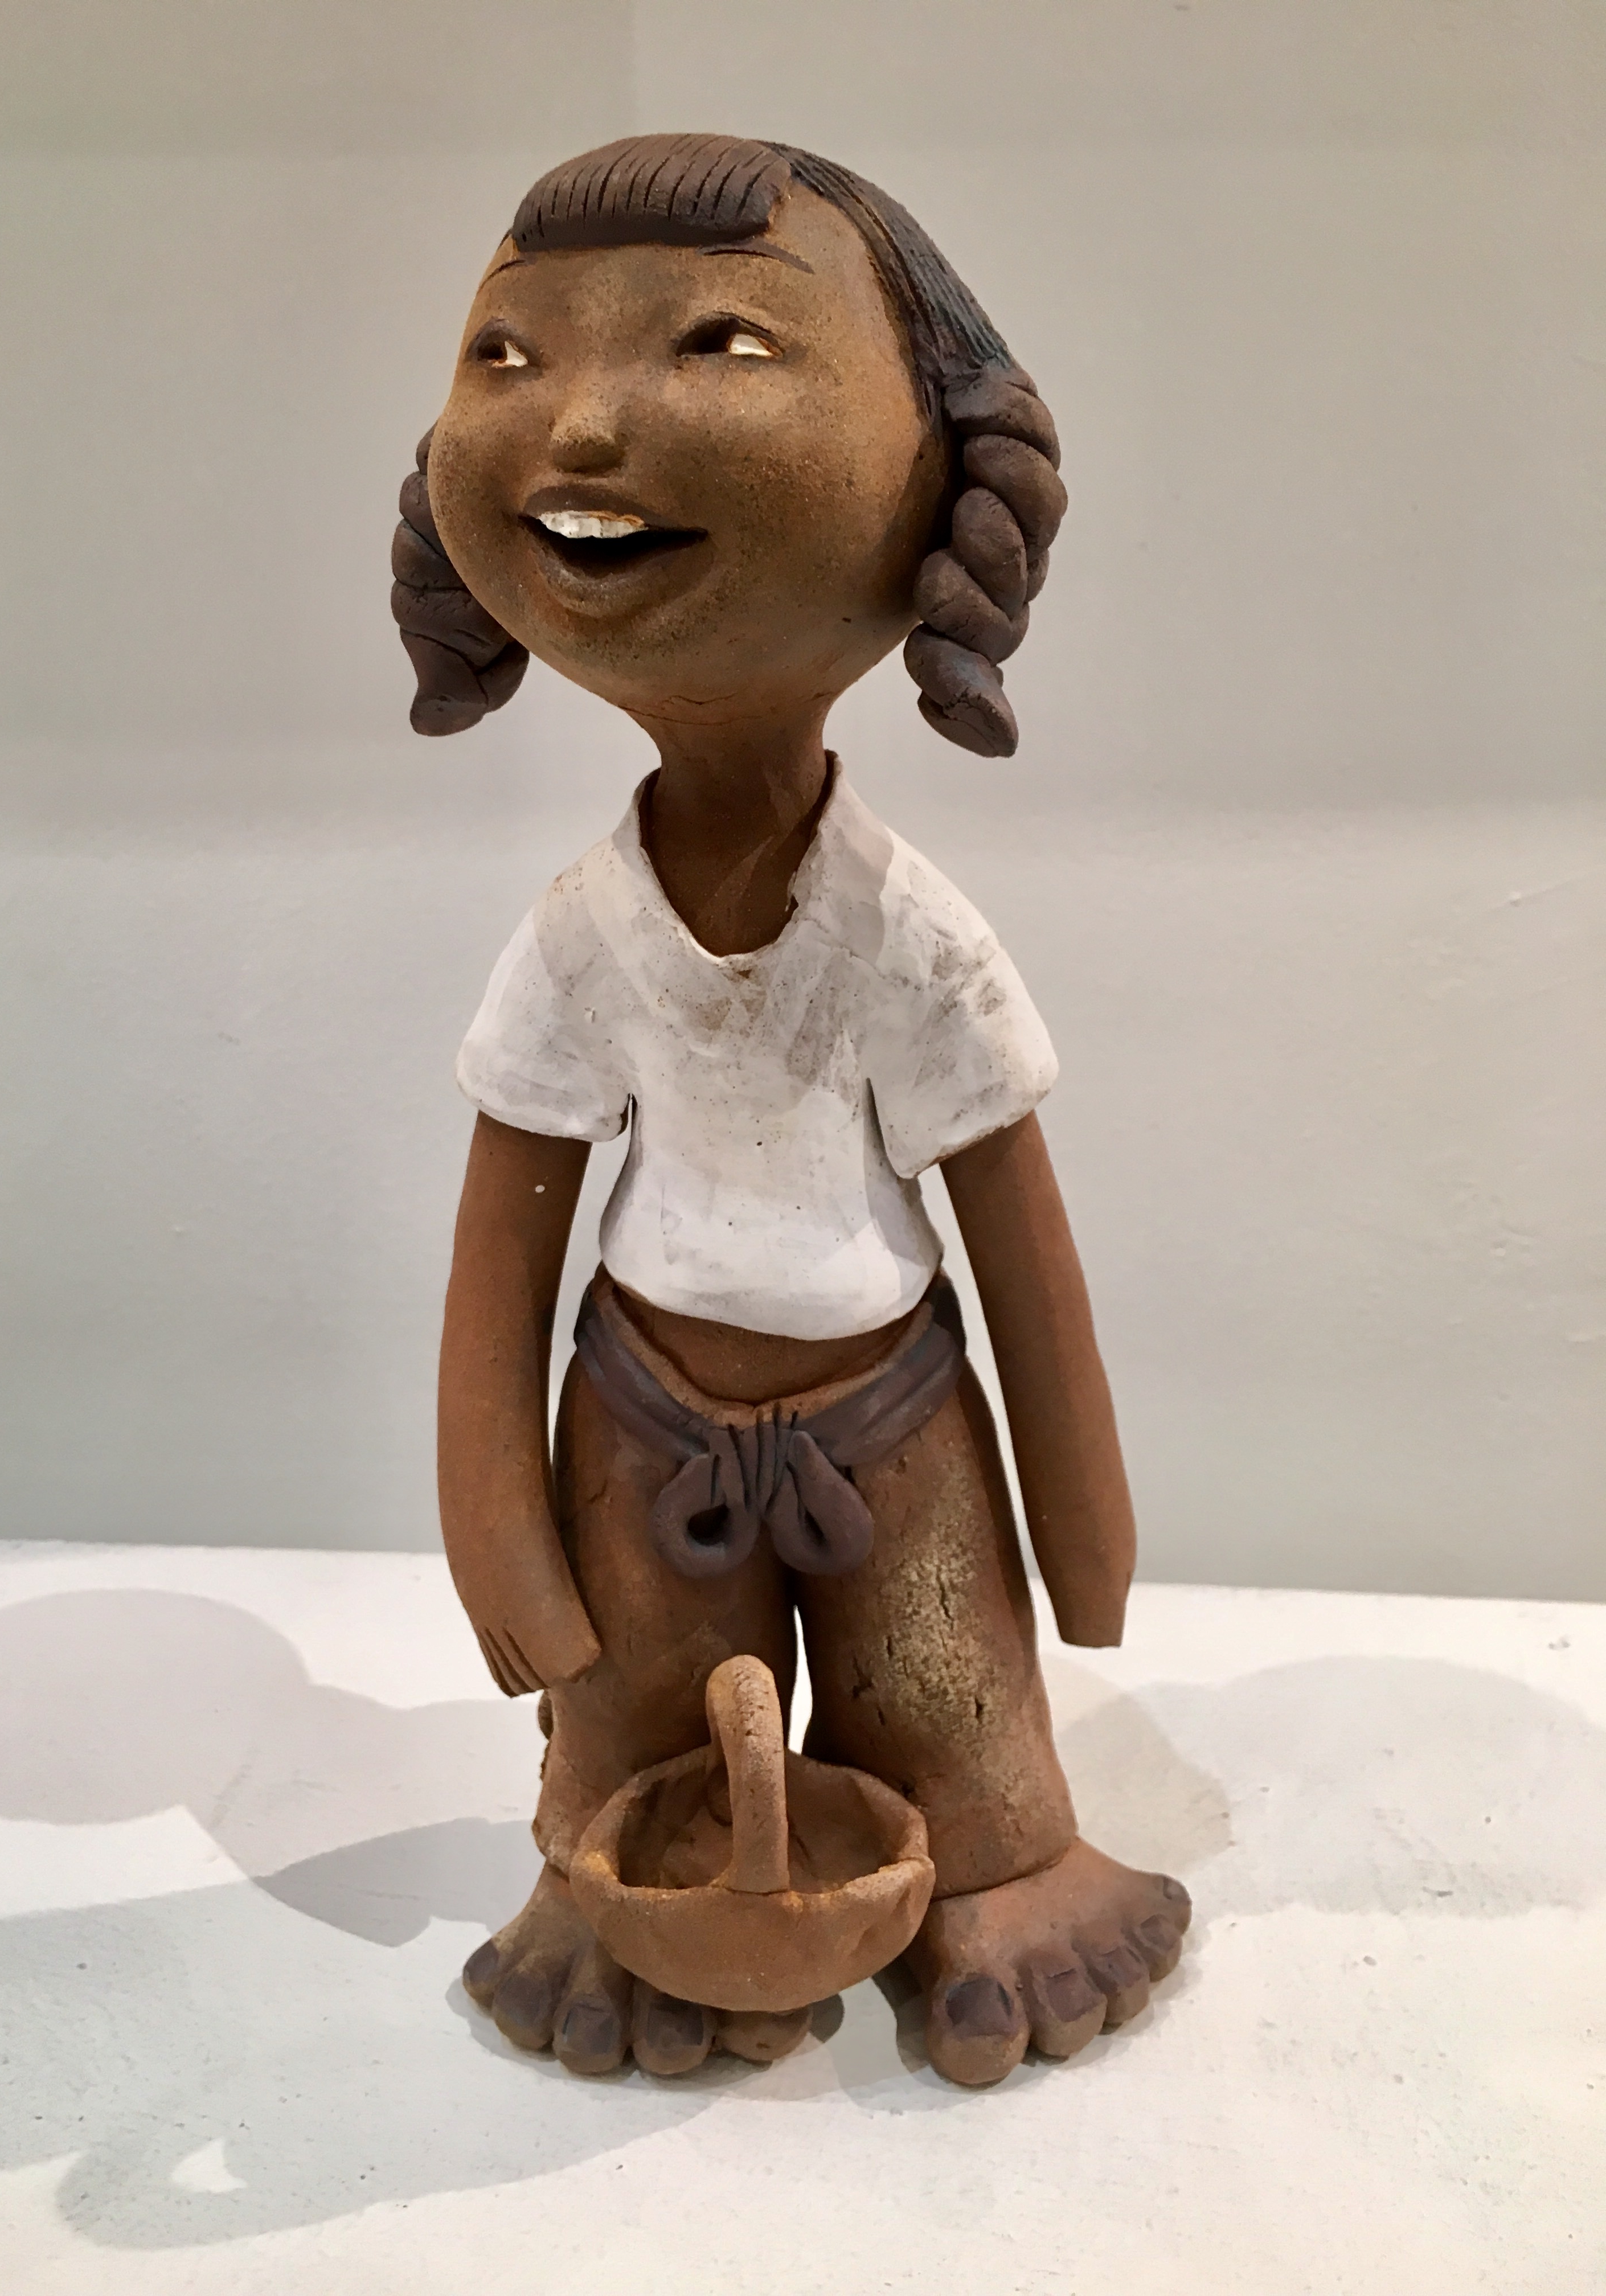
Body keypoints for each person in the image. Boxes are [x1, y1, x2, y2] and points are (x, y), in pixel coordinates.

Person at [390, 133, 1189, 2088]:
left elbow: (1012, 1226)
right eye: (507, 355)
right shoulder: (582, 936)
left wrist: (1079, 1525)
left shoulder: (909, 937)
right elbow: (508, 1240)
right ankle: (613, 1878)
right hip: (640, 1409)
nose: (581, 423)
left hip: (893, 1421)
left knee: (951, 1701)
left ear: (950, 482)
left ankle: (1000, 1860)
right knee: (631, 1723)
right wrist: (500, 1533)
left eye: (721, 343)